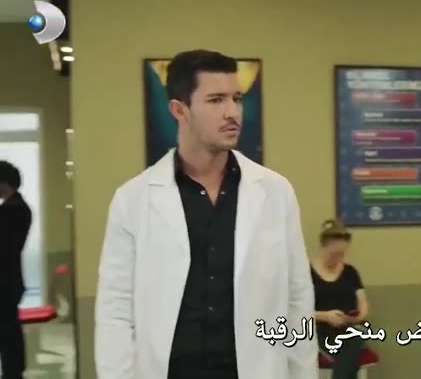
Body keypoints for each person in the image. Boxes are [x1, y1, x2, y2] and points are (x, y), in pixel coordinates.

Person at [95, 49, 318, 379]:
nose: (232, 112)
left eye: (237, 99)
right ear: (179, 110)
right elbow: (115, 310)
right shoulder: (133, 200)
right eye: (216, 100)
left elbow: (298, 299)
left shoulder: (275, 192)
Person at [311, 219, 369, 379]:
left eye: (341, 254)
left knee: (356, 337)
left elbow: (363, 308)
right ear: (322, 247)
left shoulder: (350, 272)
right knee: (350, 355)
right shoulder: (306, 273)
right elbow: (296, 312)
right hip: (318, 330)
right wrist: (324, 316)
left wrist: (351, 318)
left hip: (347, 329)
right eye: (333, 254)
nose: (337, 258)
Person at [0, 161, 31, 379]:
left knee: (8, 331)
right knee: (9, 329)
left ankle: (13, 373)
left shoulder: (12, 210)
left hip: (4, 281)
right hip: (10, 279)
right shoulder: (18, 208)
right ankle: (14, 371)